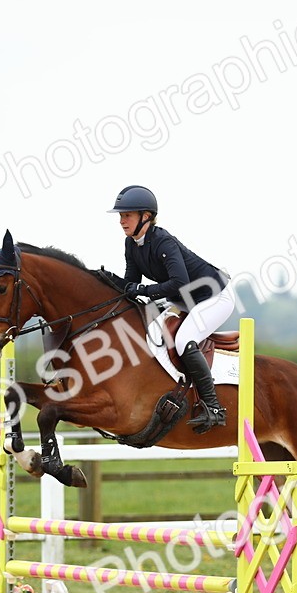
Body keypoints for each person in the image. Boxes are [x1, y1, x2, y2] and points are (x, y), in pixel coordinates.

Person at [109, 185, 234, 432]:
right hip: (183, 299)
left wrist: (142, 291)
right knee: (150, 335)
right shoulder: (131, 244)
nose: (122, 221)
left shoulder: (163, 242)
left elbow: (180, 282)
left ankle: (214, 406)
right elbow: (132, 281)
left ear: (146, 216)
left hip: (214, 296)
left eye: (127, 215)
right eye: (121, 216)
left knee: (184, 339)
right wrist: (105, 280)